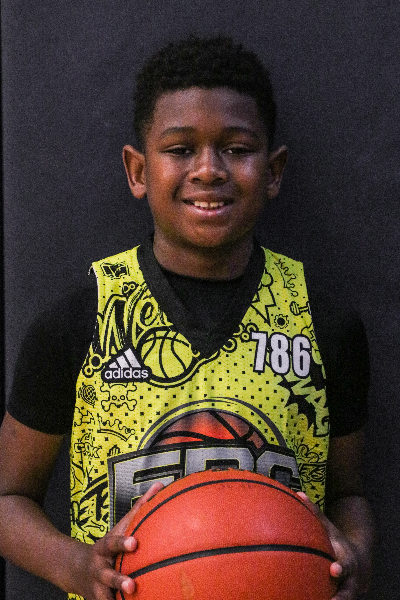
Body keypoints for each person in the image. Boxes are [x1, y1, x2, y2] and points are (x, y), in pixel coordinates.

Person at [0, 36, 374, 600]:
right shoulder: (81, 319)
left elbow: (349, 495)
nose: (208, 170)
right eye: (180, 149)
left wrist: (356, 556)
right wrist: (76, 566)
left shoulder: (324, 322)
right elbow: (8, 497)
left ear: (273, 171)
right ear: (138, 170)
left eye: (236, 148)